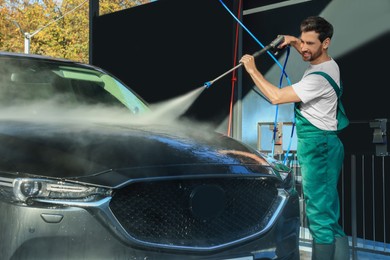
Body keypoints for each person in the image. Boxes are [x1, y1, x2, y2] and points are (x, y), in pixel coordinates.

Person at [239, 16, 349, 260]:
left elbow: (277, 96)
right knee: (330, 218)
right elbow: (304, 46)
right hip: (329, 144)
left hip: (317, 148)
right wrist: (291, 41)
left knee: (319, 218)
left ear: (326, 42)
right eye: (303, 41)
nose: (305, 48)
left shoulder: (317, 79)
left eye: (311, 43)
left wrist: (252, 69)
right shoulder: (330, 64)